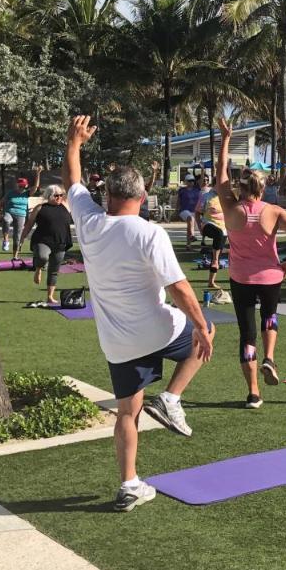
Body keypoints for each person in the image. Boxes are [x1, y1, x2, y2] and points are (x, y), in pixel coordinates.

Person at [62, 115, 214, 512]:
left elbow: (73, 182)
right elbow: (179, 287)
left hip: (118, 342)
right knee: (206, 332)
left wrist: (74, 142)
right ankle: (171, 398)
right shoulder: (149, 233)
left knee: (127, 413)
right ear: (143, 198)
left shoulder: (89, 222)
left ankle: (129, 483)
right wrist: (200, 326)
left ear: (107, 196)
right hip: (159, 330)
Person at [216, 119, 286, 409]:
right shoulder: (274, 211)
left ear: (241, 187)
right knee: (270, 316)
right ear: (263, 186)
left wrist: (226, 139)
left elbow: (220, 176)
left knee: (247, 333)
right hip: (271, 276)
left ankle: (254, 393)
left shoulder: (231, 209)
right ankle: (270, 358)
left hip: (241, 278)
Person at [23, 185, 73, 306]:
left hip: (61, 242)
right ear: (49, 196)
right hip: (42, 240)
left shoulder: (65, 205)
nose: (59, 198)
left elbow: (70, 188)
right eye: (56, 196)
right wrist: (22, 237)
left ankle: (50, 297)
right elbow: (29, 224)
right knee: (42, 256)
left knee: (54, 270)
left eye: (61, 195)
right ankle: (38, 269)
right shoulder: (40, 208)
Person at [0, 169, 39, 258]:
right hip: (10, 212)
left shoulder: (27, 193)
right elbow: (1, 202)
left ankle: (15, 256)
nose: (21, 188)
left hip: (21, 215)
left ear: (26, 186)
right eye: (20, 186)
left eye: (23, 186)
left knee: (17, 237)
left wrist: (38, 174)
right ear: (17, 185)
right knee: (6, 220)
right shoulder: (11, 193)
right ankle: (5, 240)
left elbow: (36, 186)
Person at [194, 177, 226, 292]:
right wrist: (199, 227)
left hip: (223, 229)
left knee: (217, 248)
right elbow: (197, 213)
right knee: (218, 233)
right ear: (215, 184)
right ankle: (215, 259)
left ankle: (211, 281)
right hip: (208, 225)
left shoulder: (225, 197)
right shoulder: (206, 196)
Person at [176, 174, 202, 248]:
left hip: (195, 211)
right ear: (186, 182)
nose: (191, 182)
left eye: (192, 181)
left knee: (189, 225)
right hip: (184, 210)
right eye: (189, 181)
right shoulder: (182, 190)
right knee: (191, 218)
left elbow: (202, 178)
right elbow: (178, 201)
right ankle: (192, 235)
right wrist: (176, 210)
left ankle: (188, 244)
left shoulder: (197, 189)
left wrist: (202, 169)